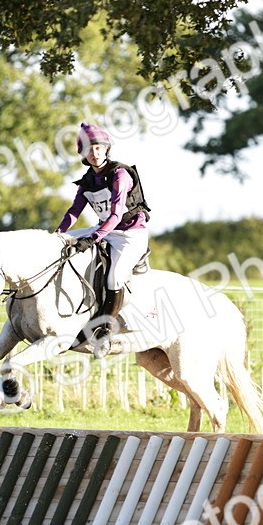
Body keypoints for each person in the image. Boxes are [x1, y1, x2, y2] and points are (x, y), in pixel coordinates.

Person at [56, 123, 152, 353]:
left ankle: (104, 331)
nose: (94, 153)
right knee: (62, 245)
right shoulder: (87, 181)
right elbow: (73, 212)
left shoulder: (120, 174)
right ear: (82, 154)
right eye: (89, 149)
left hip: (130, 234)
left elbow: (117, 214)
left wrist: (94, 237)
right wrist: (57, 236)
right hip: (104, 229)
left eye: (98, 147)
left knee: (115, 278)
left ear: (106, 149)